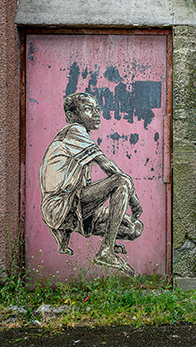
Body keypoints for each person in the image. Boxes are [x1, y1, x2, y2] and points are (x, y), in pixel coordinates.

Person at [39, 92, 143, 276]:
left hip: (73, 210)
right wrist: (133, 200)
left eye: (97, 109)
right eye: (88, 109)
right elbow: (108, 166)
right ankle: (106, 250)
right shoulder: (74, 130)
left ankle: (107, 244)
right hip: (62, 206)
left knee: (134, 229)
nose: (96, 114)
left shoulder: (79, 141)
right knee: (121, 180)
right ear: (72, 116)